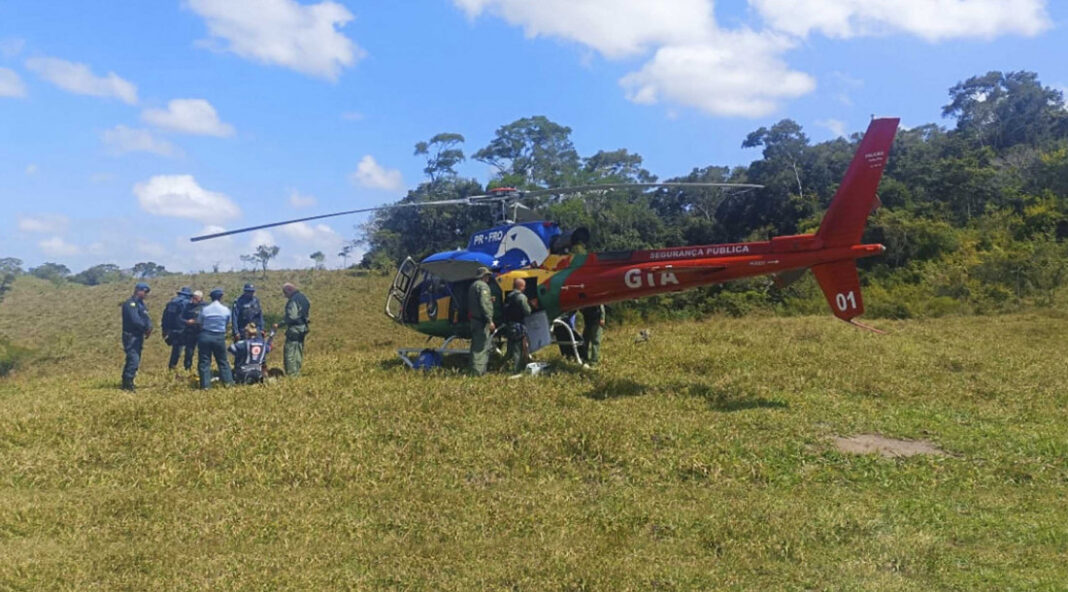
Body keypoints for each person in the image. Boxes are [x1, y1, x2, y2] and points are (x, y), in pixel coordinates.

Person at [196, 287, 234, 389]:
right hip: (219, 336)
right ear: (221, 297)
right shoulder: (225, 310)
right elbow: (228, 322)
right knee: (222, 361)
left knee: (204, 361)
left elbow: (199, 322)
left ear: (211, 298)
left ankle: (205, 385)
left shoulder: (205, 309)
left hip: (205, 336)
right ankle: (228, 383)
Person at [120, 282, 152, 391]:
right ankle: (128, 383)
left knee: (134, 359)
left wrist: (149, 327)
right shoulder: (130, 304)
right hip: (131, 336)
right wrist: (145, 328)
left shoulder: (141, 304)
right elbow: (135, 320)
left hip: (138, 335)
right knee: (133, 358)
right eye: (144, 291)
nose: (145, 294)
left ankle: (127, 380)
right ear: (138, 290)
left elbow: (146, 317)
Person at [467, 267, 495, 376]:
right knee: (481, 347)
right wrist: (490, 320)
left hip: (474, 320)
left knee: (475, 346)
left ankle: (474, 369)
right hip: (481, 322)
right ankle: (477, 372)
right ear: (483, 276)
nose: (488, 278)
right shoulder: (483, 286)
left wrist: (489, 299)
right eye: (487, 275)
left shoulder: (473, 286)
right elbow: (484, 304)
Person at [502, 277, 532, 374]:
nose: (525, 288)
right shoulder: (521, 297)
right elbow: (527, 311)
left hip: (509, 325)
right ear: (521, 286)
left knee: (510, 348)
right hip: (518, 326)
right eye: (524, 286)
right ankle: (515, 370)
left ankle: (506, 367)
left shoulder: (509, 296)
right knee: (517, 349)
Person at [281, 282, 311, 376]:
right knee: (298, 351)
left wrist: (281, 323)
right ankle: (297, 373)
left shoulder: (293, 300)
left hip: (294, 329)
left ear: (289, 290)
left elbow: (292, 316)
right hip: (303, 328)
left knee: (289, 353)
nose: (285, 296)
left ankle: (291, 375)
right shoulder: (303, 297)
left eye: (285, 293)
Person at [163, 286, 192, 370]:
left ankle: (172, 367)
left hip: (172, 329)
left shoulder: (172, 302)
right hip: (184, 329)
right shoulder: (187, 303)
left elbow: (165, 317)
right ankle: (187, 367)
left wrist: (165, 329)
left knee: (176, 349)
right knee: (189, 349)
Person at [175, 290, 204, 372]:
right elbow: (180, 318)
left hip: (201, 333)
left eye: (196, 298)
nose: (193, 299)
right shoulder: (187, 307)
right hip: (190, 332)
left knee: (202, 352)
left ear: (200, 298)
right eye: (193, 297)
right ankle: (187, 368)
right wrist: (187, 321)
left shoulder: (205, 307)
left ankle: (201, 369)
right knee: (189, 352)